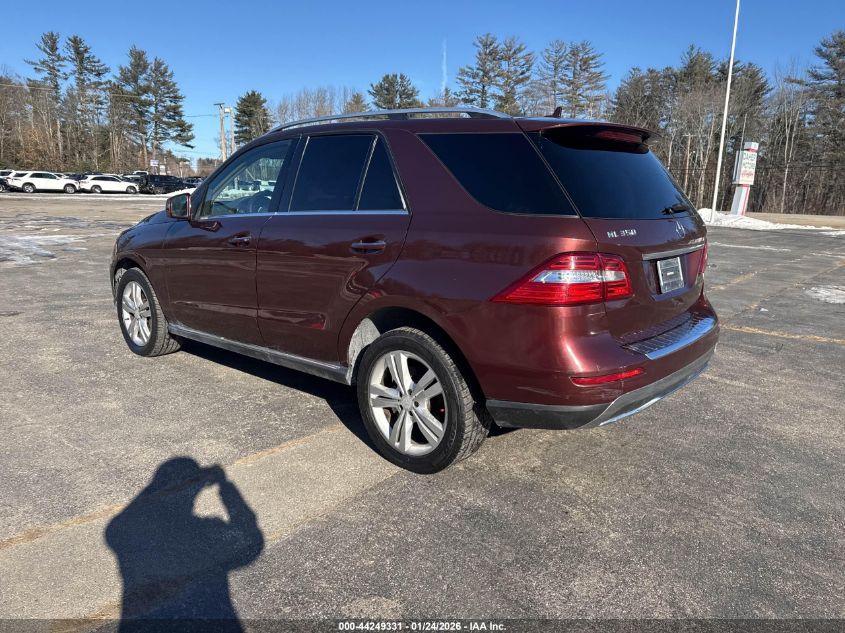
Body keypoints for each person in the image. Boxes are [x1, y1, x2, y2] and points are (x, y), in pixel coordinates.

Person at [105, 458, 264, 632]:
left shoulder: (127, 532)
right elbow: (250, 537)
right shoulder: (206, 533)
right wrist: (225, 486)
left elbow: (123, 521)